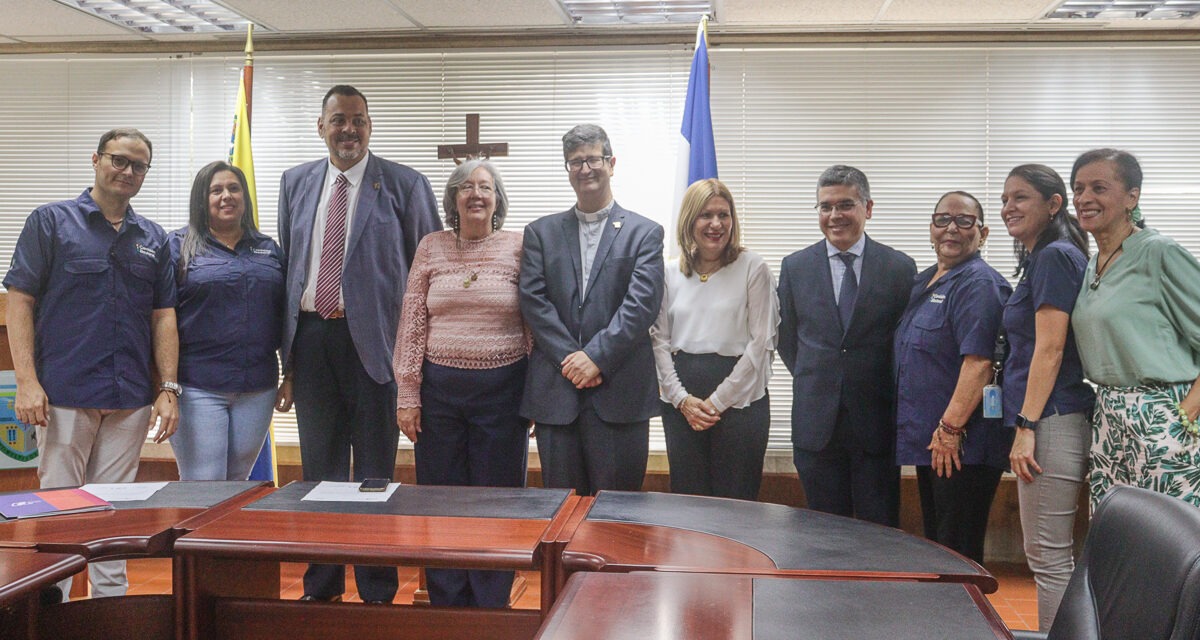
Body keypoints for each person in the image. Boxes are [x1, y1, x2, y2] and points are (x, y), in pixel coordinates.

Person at [276, 85, 441, 604]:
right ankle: (321, 587)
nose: (349, 130)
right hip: (312, 341)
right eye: (339, 120)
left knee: (375, 474)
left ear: (371, 126)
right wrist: (287, 362)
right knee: (318, 472)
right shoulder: (295, 182)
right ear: (320, 126)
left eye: (359, 121)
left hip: (377, 348)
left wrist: (417, 360)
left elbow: (429, 268)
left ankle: (376, 590)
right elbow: (288, 267)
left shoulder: (404, 184)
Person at [4, 128, 179, 599]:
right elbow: (18, 301)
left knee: (114, 515)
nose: (128, 172)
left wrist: (168, 387)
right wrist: (26, 381)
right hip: (63, 394)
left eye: (138, 166)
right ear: (96, 160)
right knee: (58, 515)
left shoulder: (154, 239)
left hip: (129, 399)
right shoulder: (50, 222)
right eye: (119, 161)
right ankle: (51, 614)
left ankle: (109, 613)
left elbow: (163, 317)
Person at [393, 159, 529, 608]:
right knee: (441, 499)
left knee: (497, 500)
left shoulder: (519, 247)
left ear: (497, 199)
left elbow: (533, 323)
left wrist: (533, 397)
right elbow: (412, 321)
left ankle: (491, 601)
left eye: (485, 187)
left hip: (503, 392)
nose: (476, 194)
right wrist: (408, 392)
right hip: (439, 394)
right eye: (466, 187)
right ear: (452, 199)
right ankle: (447, 600)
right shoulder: (430, 247)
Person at [519, 124, 665, 496]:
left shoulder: (644, 233)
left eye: (593, 159)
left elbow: (641, 305)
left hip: (619, 395)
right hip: (558, 393)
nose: (585, 169)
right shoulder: (540, 232)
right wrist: (574, 359)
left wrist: (596, 358)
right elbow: (534, 301)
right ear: (567, 170)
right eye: (575, 162)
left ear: (611, 163)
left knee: (615, 518)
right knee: (562, 516)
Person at [777, 165, 916, 526]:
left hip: (876, 424)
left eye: (845, 205)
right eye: (825, 207)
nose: (834, 216)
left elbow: (904, 344)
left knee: (879, 531)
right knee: (823, 534)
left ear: (868, 208)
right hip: (816, 425)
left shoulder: (900, 268)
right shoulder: (795, 267)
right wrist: (825, 376)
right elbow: (788, 340)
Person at [1069, 148, 1200, 509]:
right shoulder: (1094, 261)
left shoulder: (1158, 252)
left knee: (1171, 540)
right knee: (1118, 536)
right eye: (1078, 189)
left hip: (1162, 411)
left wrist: (1183, 414)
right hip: (1109, 415)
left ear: (1132, 197)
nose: (1084, 198)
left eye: (1099, 188)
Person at [894, 191, 1013, 564]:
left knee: (957, 553)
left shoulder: (979, 284)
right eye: (942, 219)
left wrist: (950, 429)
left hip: (962, 445)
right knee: (939, 548)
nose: (951, 229)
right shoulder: (926, 280)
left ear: (983, 232)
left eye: (964, 221)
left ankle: (966, 622)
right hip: (933, 444)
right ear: (931, 228)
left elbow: (978, 363)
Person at [999, 164, 1094, 630]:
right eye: (1004, 199)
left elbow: (1051, 348)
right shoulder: (1044, 257)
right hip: (1053, 416)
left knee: (1048, 556)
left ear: (1054, 204)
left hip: (1051, 419)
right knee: (1050, 554)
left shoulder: (1056, 256)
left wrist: (1026, 426)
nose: (1007, 208)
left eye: (1020, 198)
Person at [650, 178, 777, 500]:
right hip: (682, 406)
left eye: (724, 215)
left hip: (740, 404)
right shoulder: (668, 272)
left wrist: (716, 402)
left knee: (736, 505)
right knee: (689, 505)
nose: (716, 224)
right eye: (706, 215)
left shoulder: (753, 267)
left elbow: (761, 343)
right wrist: (682, 400)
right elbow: (658, 342)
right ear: (689, 220)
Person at [168, 161, 285, 481]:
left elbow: (285, 316)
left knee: (238, 483)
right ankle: (195, 535)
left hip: (257, 388)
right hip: (197, 387)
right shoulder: (178, 246)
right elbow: (160, 319)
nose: (226, 196)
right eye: (215, 190)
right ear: (200, 199)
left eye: (234, 188)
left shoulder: (268, 249)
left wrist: (292, 373)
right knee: (203, 483)